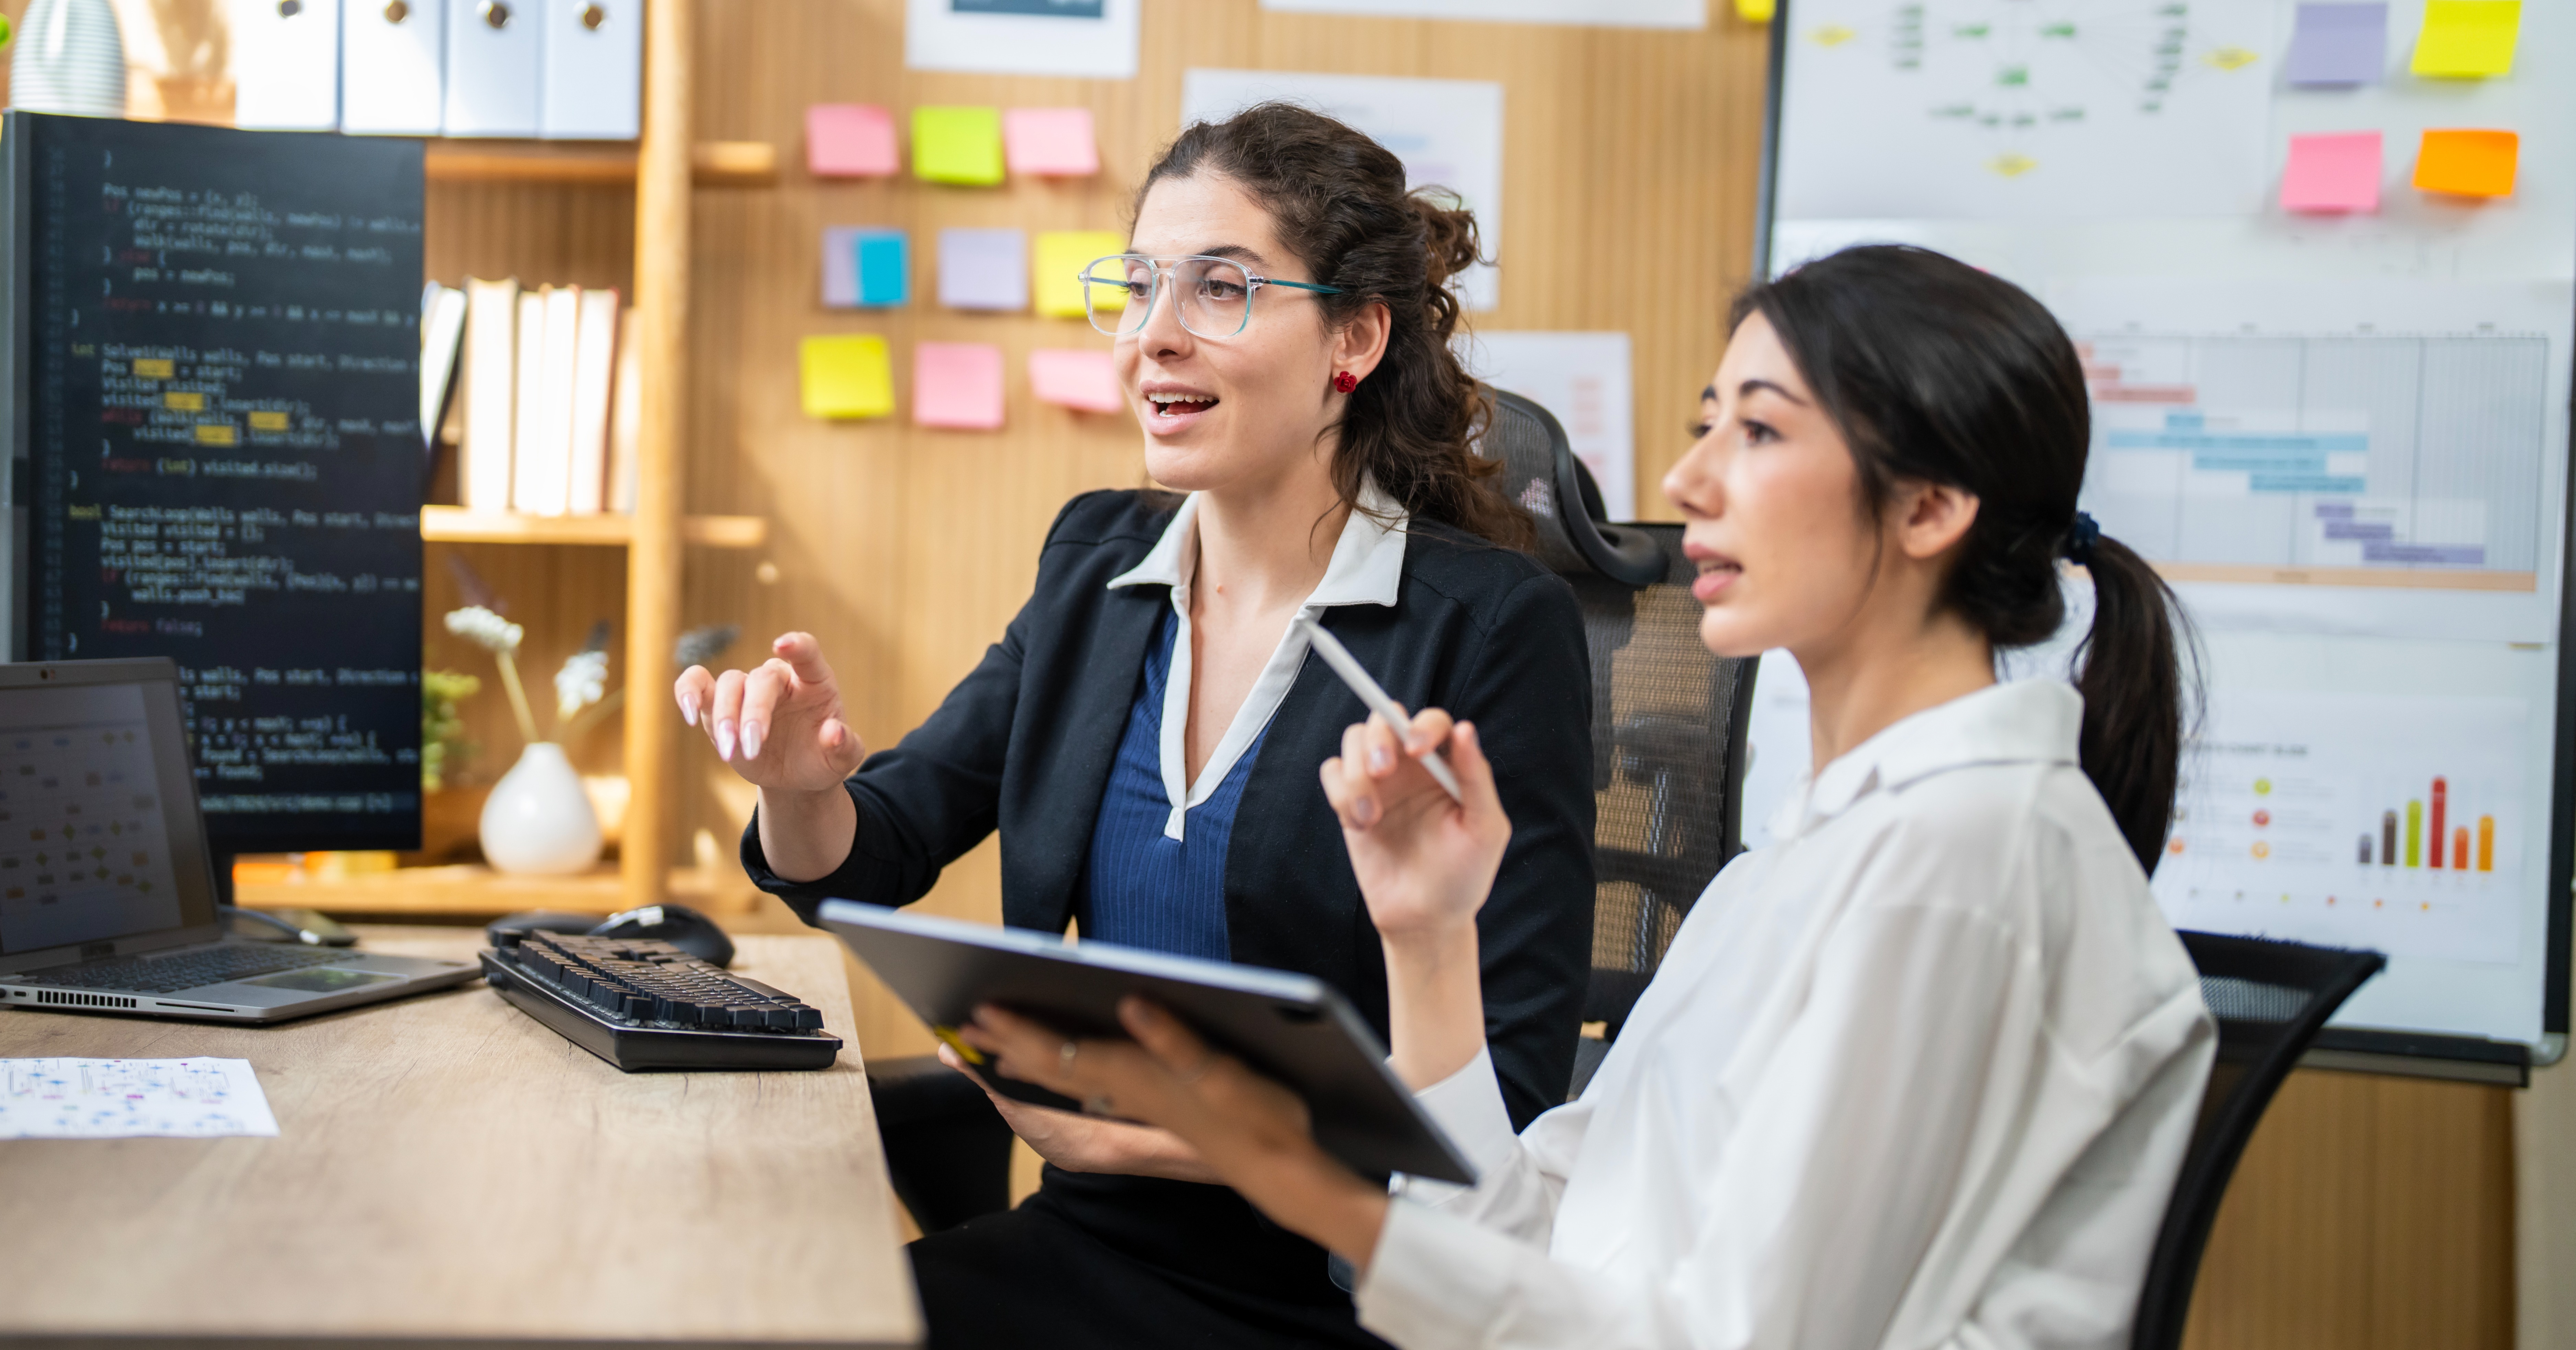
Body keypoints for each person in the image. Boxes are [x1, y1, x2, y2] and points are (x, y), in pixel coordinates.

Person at [960, 244, 2219, 1350]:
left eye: (1762, 432)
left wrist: (1289, 1171)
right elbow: (1529, 1231)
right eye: (1707, 420)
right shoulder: (1798, 865)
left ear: (1932, 506)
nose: (1687, 480)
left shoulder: (1961, 870)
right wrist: (1428, 939)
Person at [674, 104, 1601, 1348]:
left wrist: (1149, 1138)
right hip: (1085, 1244)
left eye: (1221, 288)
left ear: (1355, 338)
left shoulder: (1486, 631)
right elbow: (881, 843)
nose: (1153, 338)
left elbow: (1508, 1110)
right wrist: (798, 787)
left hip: (1337, 1302)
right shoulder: (1097, 566)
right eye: (1140, 287)